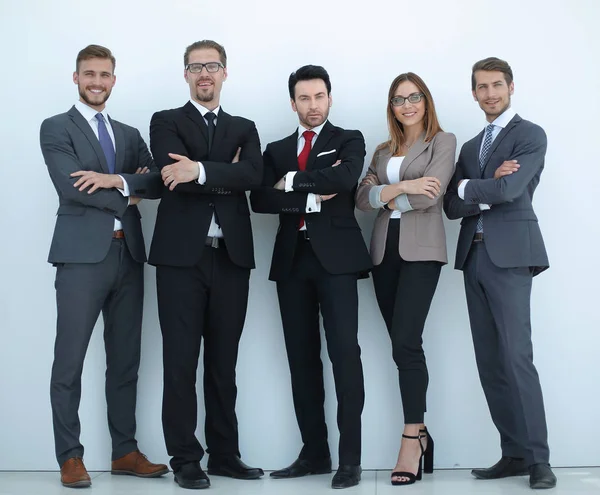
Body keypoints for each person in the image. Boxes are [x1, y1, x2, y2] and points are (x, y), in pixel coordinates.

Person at [40, 44, 167, 488]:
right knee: (69, 361)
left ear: (115, 79)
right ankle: (70, 456)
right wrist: (128, 195)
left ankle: (124, 451)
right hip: (80, 258)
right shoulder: (56, 127)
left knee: (126, 360)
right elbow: (71, 187)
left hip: (128, 254)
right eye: (89, 74)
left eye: (105, 75)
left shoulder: (129, 133)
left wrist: (118, 181)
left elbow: (156, 181)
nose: (97, 81)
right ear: (76, 77)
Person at [148, 40, 264, 490]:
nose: (204, 74)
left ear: (224, 73)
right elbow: (167, 173)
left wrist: (197, 170)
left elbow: (252, 176)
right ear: (185, 74)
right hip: (180, 260)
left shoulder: (244, 126)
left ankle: (225, 454)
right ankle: (185, 458)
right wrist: (221, 173)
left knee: (224, 362)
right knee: (180, 362)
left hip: (231, 258)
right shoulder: (166, 121)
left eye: (212, 66)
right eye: (196, 67)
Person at [250, 65, 372, 490]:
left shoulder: (348, 139)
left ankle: (350, 460)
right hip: (291, 262)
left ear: (330, 98)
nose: (313, 105)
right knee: (301, 360)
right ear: (293, 103)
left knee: (344, 356)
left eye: (319, 96)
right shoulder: (277, 148)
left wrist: (293, 182)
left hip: (336, 260)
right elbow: (261, 199)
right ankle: (315, 452)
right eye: (304, 98)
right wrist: (310, 196)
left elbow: (345, 176)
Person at [443, 57, 556, 490]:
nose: (490, 93)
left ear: (511, 87)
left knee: (516, 358)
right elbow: (452, 206)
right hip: (473, 256)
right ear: (473, 93)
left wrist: (473, 186)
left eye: (497, 85)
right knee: (489, 361)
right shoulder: (472, 148)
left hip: (510, 256)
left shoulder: (529, 135)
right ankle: (513, 452)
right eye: (482, 87)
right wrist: (482, 184)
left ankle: (539, 460)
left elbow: (510, 190)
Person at [355, 72, 455, 485]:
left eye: (414, 97)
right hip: (384, 251)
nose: (407, 105)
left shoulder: (443, 142)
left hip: (421, 251)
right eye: (399, 99)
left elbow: (431, 195)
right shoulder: (382, 150)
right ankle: (421, 432)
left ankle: (411, 437)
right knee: (401, 345)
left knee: (406, 341)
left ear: (426, 101)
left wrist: (391, 191)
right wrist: (405, 185)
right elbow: (361, 198)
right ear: (391, 107)